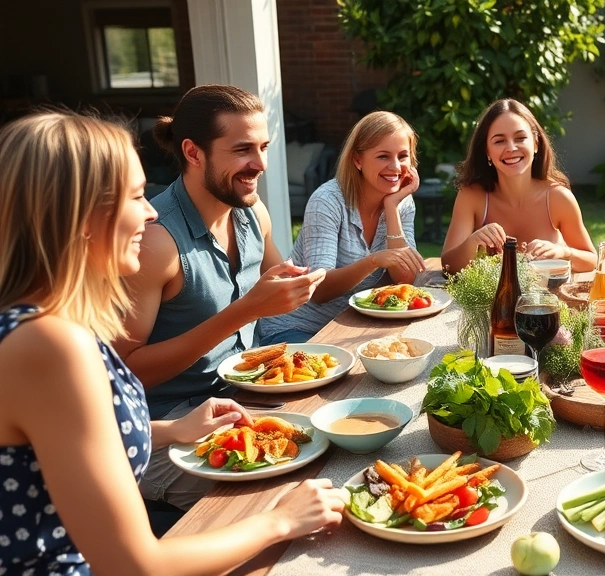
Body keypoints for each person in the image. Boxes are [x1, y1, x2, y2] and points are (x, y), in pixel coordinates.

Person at [0, 111, 345, 575]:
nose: (151, 211)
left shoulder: (42, 328)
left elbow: (62, 441)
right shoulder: (50, 345)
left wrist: (172, 431)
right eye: (138, 196)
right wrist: (280, 521)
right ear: (81, 216)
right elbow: (135, 564)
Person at [114, 85, 326, 509]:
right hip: (166, 424)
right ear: (194, 153)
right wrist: (245, 310)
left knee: (335, 439)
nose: (261, 164)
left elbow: (274, 278)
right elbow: (127, 376)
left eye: (264, 147)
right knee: (272, 499)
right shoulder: (156, 242)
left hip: (240, 395)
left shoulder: (251, 212)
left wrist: (292, 284)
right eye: (243, 149)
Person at [260, 111, 426, 344]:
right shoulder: (327, 201)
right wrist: (374, 260)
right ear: (357, 160)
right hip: (297, 327)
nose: (395, 167)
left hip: (350, 326)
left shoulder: (400, 201)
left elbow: (405, 278)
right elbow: (318, 291)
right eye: (383, 156)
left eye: (403, 156)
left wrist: (391, 208)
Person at [441, 98, 597, 273]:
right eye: (499, 141)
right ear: (487, 151)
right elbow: (448, 265)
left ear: (536, 143)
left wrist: (564, 252)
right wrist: (473, 242)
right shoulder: (471, 196)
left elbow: (591, 260)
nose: (511, 148)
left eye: (520, 138)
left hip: (547, 298)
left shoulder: (558, 197)